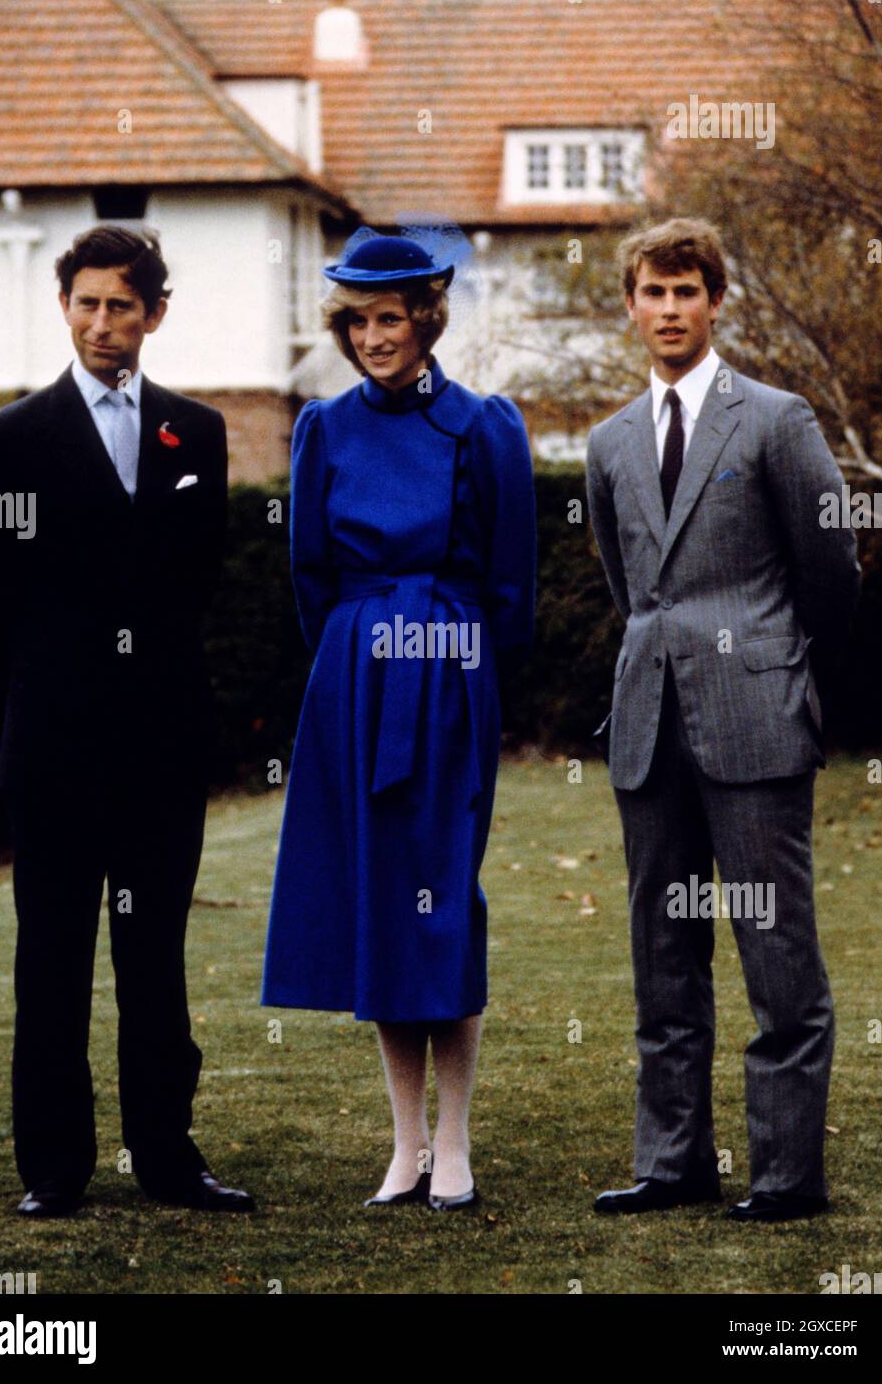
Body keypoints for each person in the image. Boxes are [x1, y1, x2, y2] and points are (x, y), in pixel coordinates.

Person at [0, 226, 252, 1217]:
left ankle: (166, 1155)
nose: (101, 323)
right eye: (85, 303)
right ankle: (54, 1168)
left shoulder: (195, 433)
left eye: (122, 305)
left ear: (153, 313)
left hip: (161, 745)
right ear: (64, 306)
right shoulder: (11, 439)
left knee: (154, 958)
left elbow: (196, 584)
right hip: (54, 747)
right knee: (54, 956)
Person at [586, 218, 860, 1223]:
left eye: (685, 291)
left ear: (713, 301)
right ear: (629, 304)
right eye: (651, 292)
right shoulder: (609, 439)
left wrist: (780, 662)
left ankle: (785, 1175)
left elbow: (829, 567)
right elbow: (629, 585)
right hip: (647, 720)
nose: (667, 308)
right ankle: (672, 1162)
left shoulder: (774, 420)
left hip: (755, 715)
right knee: (661, 950)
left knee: (773, 947)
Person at [261, 227, 536, 1210]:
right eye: (360, 321)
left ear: (425, 320)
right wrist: (353, 656)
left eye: (392, 319)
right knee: (383, 902)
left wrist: (464, 676)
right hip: (354, 676)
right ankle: (405, 1145)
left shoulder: (485, 425)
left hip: (452, 670)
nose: (376, 337)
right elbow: (307, 575)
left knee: (442, 903)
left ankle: (455, 1143)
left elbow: (510, 583)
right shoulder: (322, 431)